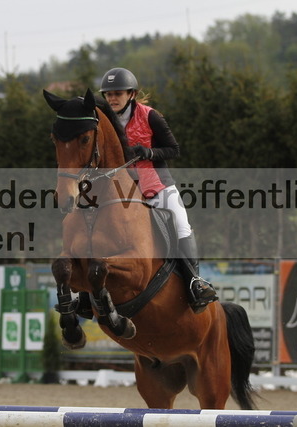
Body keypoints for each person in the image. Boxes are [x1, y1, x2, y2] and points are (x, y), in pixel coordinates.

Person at [99, 67, 217, 313]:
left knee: (181, 224)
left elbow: (174, 149)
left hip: (158, 186)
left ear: (131, 94)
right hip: (123, 192)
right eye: (108, 94)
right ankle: (86, 292)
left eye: (117, 93)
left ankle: (195, 283)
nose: (112, 99)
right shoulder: (104, 121)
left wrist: (149, 152)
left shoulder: (150, 116)